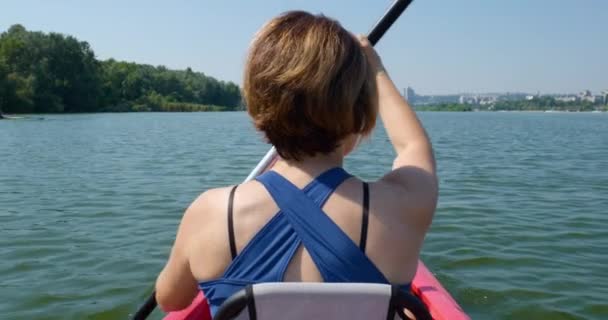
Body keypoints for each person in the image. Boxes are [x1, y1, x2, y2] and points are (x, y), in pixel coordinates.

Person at [155, 11, 437, 317]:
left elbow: (170, 300)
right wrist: (375, 68)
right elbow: (413, 146)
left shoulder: (208, 214)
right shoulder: (404, 206)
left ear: (256, 106)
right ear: (361, 116)